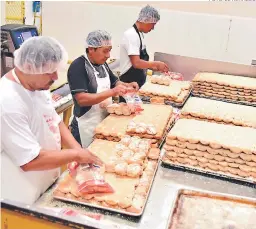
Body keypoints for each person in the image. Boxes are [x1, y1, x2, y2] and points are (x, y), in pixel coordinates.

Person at [0, 36, 103, 205]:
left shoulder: (37, 85)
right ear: (28, 67)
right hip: (20, 195)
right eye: (50, 71)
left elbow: (55, 121)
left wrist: (79, 151)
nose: (55, 77)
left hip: (44, 183)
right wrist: (75, 154)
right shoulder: (7, 102)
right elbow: (29, 161)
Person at [68, 30, 139, 148]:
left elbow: (114, 82)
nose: (108, 55)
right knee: (85, 163)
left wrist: (127, 85)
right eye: (105, 51)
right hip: (85, 127)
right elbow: (82, 99)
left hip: (104, 122)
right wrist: (112, 92)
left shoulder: (102, 64)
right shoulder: (78, 67)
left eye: (109, 50)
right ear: (91, 49)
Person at [119, 5, 169, 102]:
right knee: (127, 113)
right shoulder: (131, 35)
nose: (153, 28)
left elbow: (140, 61)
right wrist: (155, 64)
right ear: (146, 20)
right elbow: (136, 63)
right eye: (153, 24)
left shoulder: (139, 35)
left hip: (137, 82)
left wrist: (152, 67)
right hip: (129, 82)